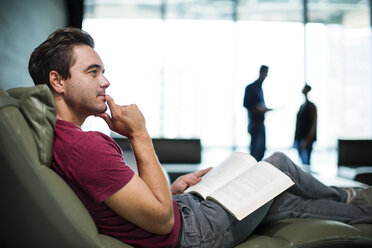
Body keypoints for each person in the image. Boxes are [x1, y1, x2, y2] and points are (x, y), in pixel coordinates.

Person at [28, 27, 372, 248]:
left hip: (186, 211)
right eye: (93, 72)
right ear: (57, 81)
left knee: (280, 198)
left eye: (103, 71)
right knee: (279, 165)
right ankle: (348, 196)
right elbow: (162, 221)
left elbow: (133, 202)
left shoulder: (65, 140)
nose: (106, 82)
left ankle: (362, 209)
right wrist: (139, 133)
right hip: (193, 232)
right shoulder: (85, 146)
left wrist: (176, 191)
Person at [243, 65, 273, 161]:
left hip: (260, 123)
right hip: (254, 124)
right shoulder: (251, 88)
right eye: (265, 73)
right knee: (255, 151)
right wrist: (260, 110)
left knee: (261, 150)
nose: (266, 76)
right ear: (261, 72)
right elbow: (247, 104)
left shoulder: (260, 89)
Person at [294, 84, 317, 165]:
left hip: (306, 139)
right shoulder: (302, 106)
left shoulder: (311, 106)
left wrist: (307, 140)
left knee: (306, 164)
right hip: (299, 138)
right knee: (302, 163)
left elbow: (313, 125)